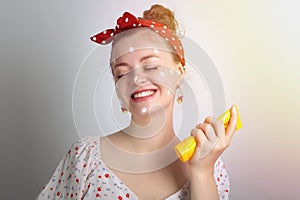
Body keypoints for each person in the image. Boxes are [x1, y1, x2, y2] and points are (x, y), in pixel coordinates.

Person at [37, 4, 237, 200]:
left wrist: (202, 173)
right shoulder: (84, 159)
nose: (135, 79)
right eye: (122, 73)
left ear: (179, 72)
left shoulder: (211, 168)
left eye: (150, 65)